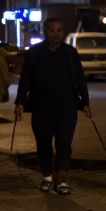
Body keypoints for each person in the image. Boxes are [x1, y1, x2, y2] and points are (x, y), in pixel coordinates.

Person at [14, 19, 91, 196]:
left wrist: (85, 102)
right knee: (44, 144)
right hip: (42, 108)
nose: (56, 34)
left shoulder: (70, 53)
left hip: (67, 108)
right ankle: (47, 177)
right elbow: (25, 80)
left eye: (59, 30)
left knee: (64, 145)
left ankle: (62, 179)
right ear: (45, 32)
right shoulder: (35, 53)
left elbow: (80, 78)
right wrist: (20, 103)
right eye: (52, 31)